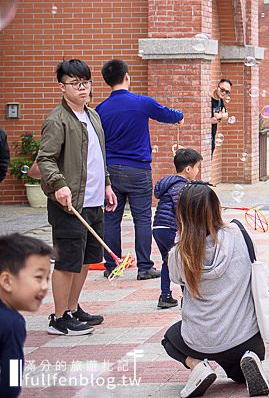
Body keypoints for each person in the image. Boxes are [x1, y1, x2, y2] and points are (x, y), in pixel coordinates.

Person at [162, 182, 269, 397]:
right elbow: (253, 260)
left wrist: (180, 235)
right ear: (216, 207)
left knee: (170, 337)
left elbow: (175, 278)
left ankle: (198, 366)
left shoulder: (179, 254)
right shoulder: (239, 233)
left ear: (182, 214)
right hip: (245, 337)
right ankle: (250, 357)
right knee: (238, 374)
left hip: (199, 341)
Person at [36, 60, 117, 336]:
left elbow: (98, 157)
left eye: (86, 82)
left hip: (93, 201)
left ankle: (72, 308)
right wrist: (59, 185)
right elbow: (45, 160)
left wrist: (106, 185)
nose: (82, 88)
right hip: (69, 205)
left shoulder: (92, 116)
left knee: (85, 259)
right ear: (61, 87)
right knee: (68, 260)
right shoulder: (57, 120)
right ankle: (59, 318)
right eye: (75, 83)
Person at [96, 58, 184, 281]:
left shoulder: (100, 109)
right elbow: (168, 114)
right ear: (127, 76)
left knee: (111, 219)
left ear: (107, 81)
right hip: (138, 169)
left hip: (110, 171)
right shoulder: (141, 102)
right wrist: (179, 117)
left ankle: (111, 266)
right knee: (143, 218)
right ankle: (145, 267)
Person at [0, 235, 53, 397]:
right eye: (38, 278)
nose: (44, 287)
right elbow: (12, 380)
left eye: (47, 279)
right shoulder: (12, 323)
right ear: (7, 281)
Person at [151, 148, 202, 311]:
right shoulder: (181, 187)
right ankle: (187, 298)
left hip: (159, 228)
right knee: (184, 261)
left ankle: (165, 296)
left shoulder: (171, 183)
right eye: (197, 167)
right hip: (171, 229)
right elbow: (182, 208)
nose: (197, 171)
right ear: (188, 169)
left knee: (169, 260)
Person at [209, 78, 231, 154]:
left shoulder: (219, 100)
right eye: (222, 90)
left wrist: (224, 116)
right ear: (217, 87)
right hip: (203, 137)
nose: (224, 93)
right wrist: (211, 120)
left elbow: (224, 113)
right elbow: (199, 119)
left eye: (227, 92)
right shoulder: (208, 100)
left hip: (212, 137)